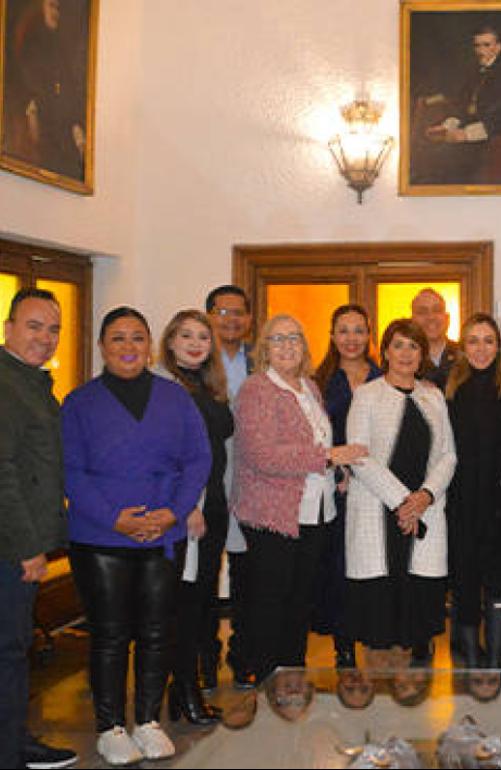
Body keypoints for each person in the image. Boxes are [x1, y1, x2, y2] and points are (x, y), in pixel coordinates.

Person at [63, 307, 211, 765]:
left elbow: (198, 459)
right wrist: (115, 519)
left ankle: (147, 720)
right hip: (101, 536)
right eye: (118, 338)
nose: (128, 347)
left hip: (163, 533)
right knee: (109, 634)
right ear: (103, 346)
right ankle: (110, 726)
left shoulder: (175, 398)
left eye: (137, 338)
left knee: (156, 631)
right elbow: (71, 471)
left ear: (149, 346)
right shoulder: (79, 402)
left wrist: (173, 512)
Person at [230, 314, 367, 682]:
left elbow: (317, 442)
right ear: (264, 349)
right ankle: (264, 677)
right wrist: (328, 458)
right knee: (270, 604)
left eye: (294, 338)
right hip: (273, 514)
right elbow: (262, 454)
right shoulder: (256, 390)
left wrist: (336, 472)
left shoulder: (309, 387)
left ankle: (291, 677)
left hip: (315, 512)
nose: (288, 345)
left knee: (298, 603)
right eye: (278, 339)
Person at [344, 319, 457, 667]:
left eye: (413, 346)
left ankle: (415, 676)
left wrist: (424, 497)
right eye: (398, 345)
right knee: (382, 604)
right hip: (379, 508)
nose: (406, 353)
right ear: (385, 351)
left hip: (425, 508)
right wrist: (402, 502)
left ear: (422, 353)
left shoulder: (433, 396)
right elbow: (358, 455)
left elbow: (449, 454)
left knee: (417, 588)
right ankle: (380, 673)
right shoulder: (367, 394)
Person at [0, 288, 77, 770]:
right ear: (8, 327)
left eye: (53, 330)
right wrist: (27, 548)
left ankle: (14, 736)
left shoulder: (32, 382)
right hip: (10, 548)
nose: (44, 338)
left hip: (24, 544)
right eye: (34, 326)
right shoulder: (5, 385)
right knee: (7, 651)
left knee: (14, 647)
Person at [153, 310, 234, 726]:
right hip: (190, 512)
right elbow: (167, 456)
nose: (195, 343)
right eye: (186, 335)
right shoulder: (164, 389)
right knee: (183, 608)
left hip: (216, 507)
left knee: (201, 604)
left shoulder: (208, 387)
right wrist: (188, 507)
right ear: (169, 342)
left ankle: (186, 692)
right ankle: (182, 695)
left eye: (203, 336)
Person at [446, 313, 501, 668]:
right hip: (462, 501)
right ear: (463, 347)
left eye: (488, 341)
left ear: (499, 346)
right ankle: (471, 660)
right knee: (466, 581)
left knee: (500, 581)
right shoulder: (448, 388)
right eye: (473, 341)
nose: (481, 349)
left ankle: (496, 658)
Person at [311, 304, 383, 670]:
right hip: (336, 486)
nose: (351, 338)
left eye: (359, 330)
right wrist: (335, 466)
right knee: (339, 564)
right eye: (344, 330)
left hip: (380, 484)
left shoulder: (384, 376)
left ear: (369, 334)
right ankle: (343, 644)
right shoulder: (318, 381)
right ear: (332, 335)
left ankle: (376, 633)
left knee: (375, 561)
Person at [417, 25, 501, 185]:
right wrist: (448, 126)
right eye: (477, 45)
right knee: (425, 154)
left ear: (499, 47)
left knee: (443, 161)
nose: (481, 50)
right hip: (467, 134)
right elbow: (462, 104)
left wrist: (466, 134)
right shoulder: (476, 70)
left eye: (486, 45)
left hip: (494, 138)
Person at [204, 283, 255, 689]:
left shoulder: (259, 361)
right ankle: (204, 659)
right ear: (209, 316)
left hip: (251, 475)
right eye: (223, 312)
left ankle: (243, 655)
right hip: (206, 475)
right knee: (203, 569)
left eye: (239, 313)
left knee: (245, 569)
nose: (232, 320)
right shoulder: (197, 360)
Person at [2, 0, 88, 180]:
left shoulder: (59, 48)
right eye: (52, 6)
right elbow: (31, 87)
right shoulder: (31, 41)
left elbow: (68, 88)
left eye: (59, 8)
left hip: (60, 129)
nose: (57, 13)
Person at [411, 288, 459, 390]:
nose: (431, 317)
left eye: (437, 310)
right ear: (412, 320)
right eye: (422, 312)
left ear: (447, 318)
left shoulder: (465, 354)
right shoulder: (404, 359)